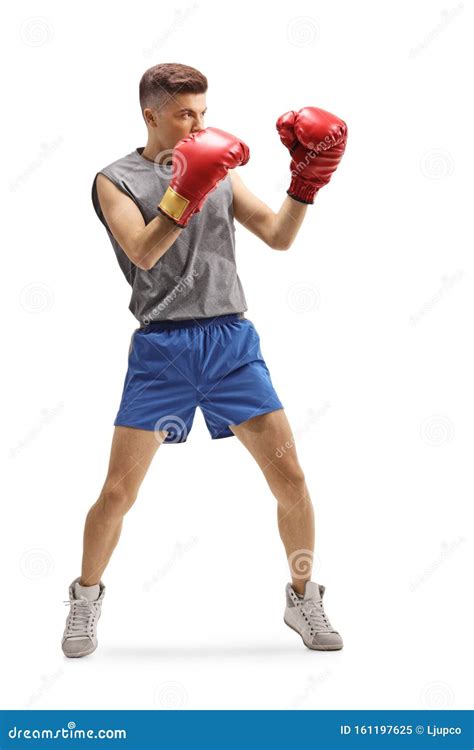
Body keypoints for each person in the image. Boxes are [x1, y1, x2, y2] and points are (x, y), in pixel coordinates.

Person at [61, 62, 348, 658]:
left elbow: (277, 235)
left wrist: (304, 183)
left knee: (291, 479)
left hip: (231, 345)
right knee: (117, 491)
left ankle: (303, 596)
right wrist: (182, 192)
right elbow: (141, 252)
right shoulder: (113, 179)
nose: (197, 124)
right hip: (162, 348)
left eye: (204, 113)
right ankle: (85, 600)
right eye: (185, 114)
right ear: (151, 115)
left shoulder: (218, 168)